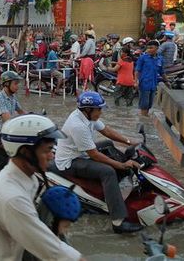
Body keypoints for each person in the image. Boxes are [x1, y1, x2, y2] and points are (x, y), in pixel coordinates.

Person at [0, 114, 84, 261]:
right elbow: (49, 248)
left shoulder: (29, 178)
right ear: (26, 152)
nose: (51, 156)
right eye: (47, 150)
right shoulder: (12, 197)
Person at [53, 91, 143, 234]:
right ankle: (118, 222)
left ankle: (119, 185)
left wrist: (129, 141)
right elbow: (94, 154)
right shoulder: (78, 125)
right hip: (70, 161)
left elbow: (106, 131)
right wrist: (121, 165)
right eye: (99, 109)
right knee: (107, 171)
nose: (101, 112)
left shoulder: (88, 117)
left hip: (80, 153)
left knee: (107, 143)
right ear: (88, 110)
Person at [0, 71, 26, 172]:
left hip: (8, 132)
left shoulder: (12, 97)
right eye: (15, 83)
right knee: (15, 151)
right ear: (6, 84)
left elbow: (21, 112)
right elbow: (8, 119)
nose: (17, 86)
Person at [135, 40, 166, 117]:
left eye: (151, 48)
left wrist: (167, 81)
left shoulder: (160, 59)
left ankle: (145, 118)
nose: (149, 50)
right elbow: (137, 71)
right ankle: (143, 119)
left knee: (150, 104)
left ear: (157, 48)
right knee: (144, 104)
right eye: (148, 48)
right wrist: (136, 81)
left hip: (153, 84)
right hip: (144, 84)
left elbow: (162, 72)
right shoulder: (143, 58)